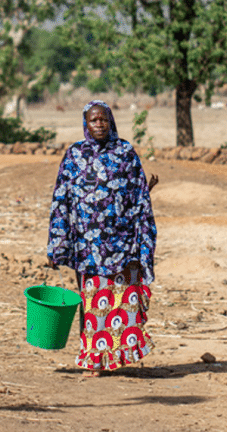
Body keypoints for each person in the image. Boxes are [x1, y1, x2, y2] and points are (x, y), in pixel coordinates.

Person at [46, 100, 158, 374]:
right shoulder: (74, 155)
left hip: (122, 243)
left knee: (120, 301)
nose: (99, 124)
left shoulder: (125, 153)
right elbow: (61, 199)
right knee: (93, 302)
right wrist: (56, 245)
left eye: (103, 119)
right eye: (93, 120)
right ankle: (93, 359)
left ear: (111, 122)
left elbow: (139, 196)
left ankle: (117, 355)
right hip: (87, 245)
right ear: (86, 124)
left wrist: (141, 242)